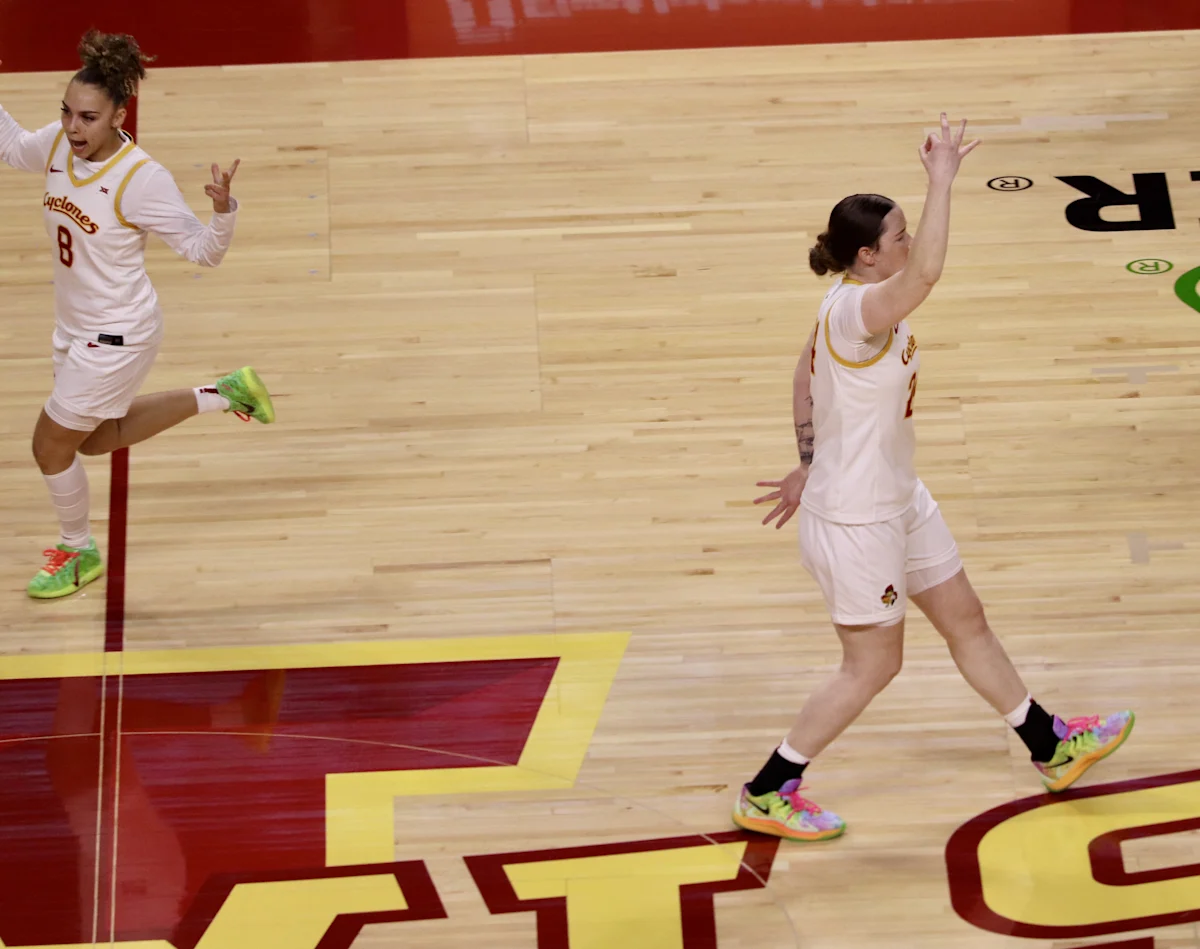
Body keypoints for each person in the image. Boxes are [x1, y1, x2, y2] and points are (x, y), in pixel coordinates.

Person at [732, 114, 1134, 842]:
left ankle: (1049, 744)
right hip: (857, 521)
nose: (909, 242)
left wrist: (808, 459)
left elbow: (802, 373)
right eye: (899, 235)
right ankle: (767, 790)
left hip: (899, 498)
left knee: (965, 618)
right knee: (872, 666)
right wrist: (942, 179)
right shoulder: (861, 307)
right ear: (867, 256)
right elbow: (927, 274)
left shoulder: (856, 307)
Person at [0, 31, 275, 600]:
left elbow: (204, 252)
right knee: (97, 439)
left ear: (119, 117)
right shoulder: (59, 145)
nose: (74, 127)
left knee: (49, 446)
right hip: (73, 329)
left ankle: (78, 552)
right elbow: (12, 147)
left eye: (88, 118)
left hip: (117, 335)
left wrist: (223, 211)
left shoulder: (141, 178)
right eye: (67, 112)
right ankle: (226, 393)